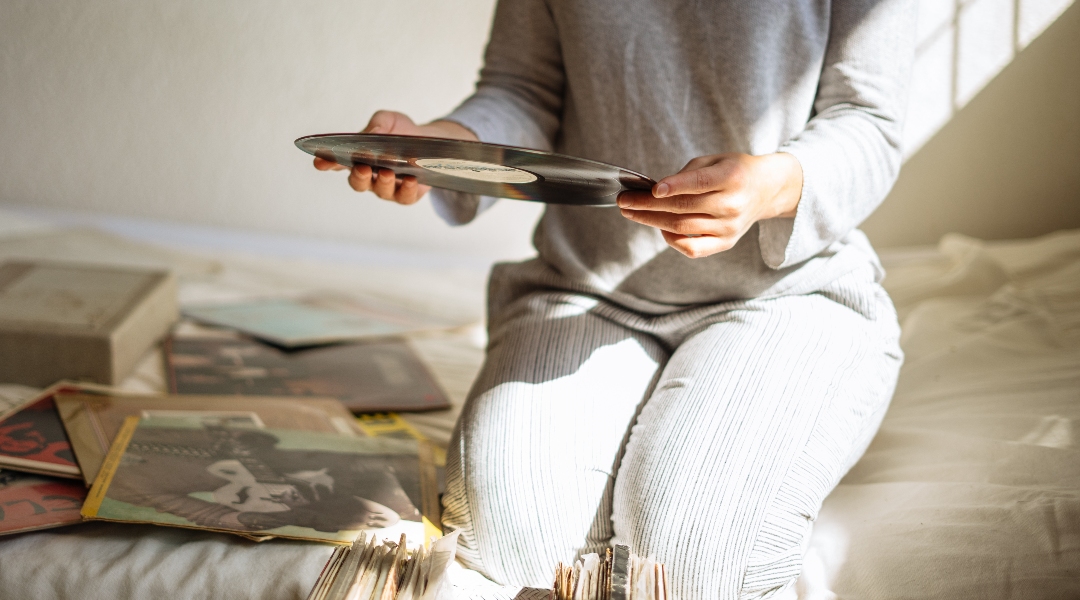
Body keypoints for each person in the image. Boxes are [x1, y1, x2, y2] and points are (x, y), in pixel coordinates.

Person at [315, 1, 915, 597]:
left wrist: (770, 187)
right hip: (586, 287)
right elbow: (523, 91)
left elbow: (867, 119)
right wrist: (441, 150)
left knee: (690, 565)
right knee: (517, 547)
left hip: (788, 294)